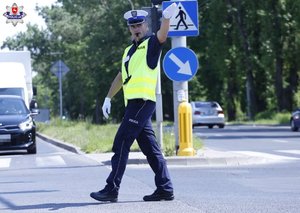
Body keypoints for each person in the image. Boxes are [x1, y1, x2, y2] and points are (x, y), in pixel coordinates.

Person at [90, 3, 178, 203]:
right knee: (150, 149)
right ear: (129, 28)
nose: (137, 29)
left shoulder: (151, 45)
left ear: (145, 26)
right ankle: (165, 188)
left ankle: (111, 188)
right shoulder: (128, 51)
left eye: (140, 25)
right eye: (133, 26)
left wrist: (166, 18)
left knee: (121, 142)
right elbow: (122, 76)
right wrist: (107, 97)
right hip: (134, 105)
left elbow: (163, 36)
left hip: (143, 102)